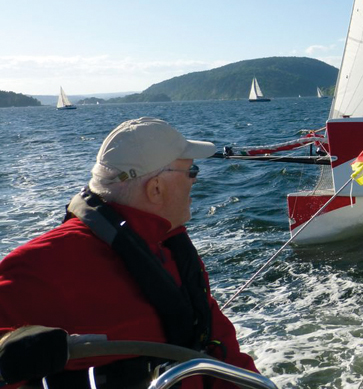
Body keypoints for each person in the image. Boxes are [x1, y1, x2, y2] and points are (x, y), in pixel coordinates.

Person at [0, 118, 258, 389]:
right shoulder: (46, 264)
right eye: (190, 171)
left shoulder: (169, 247)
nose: (195, 180)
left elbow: (221, 347)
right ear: (155, 188)